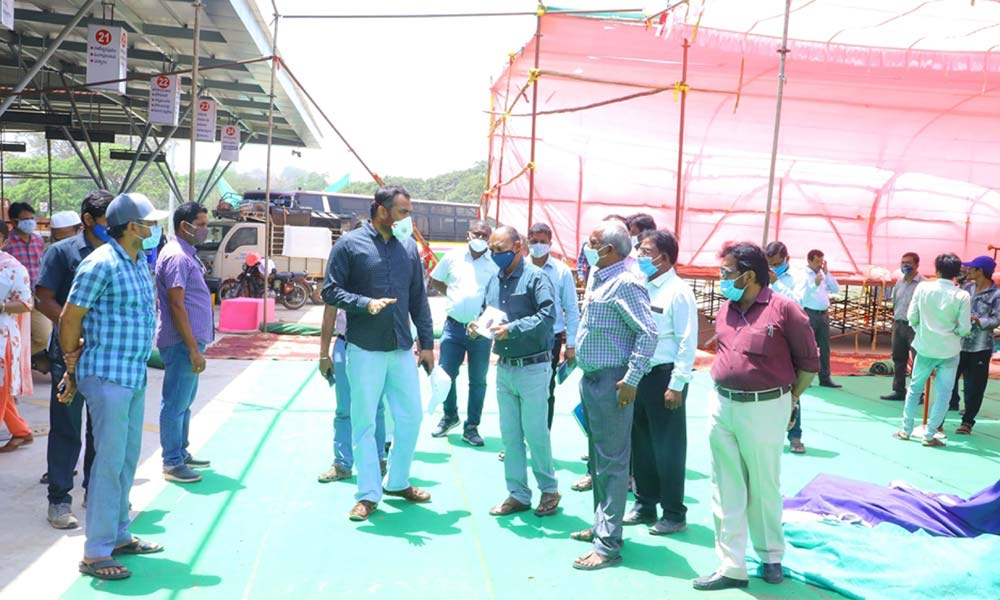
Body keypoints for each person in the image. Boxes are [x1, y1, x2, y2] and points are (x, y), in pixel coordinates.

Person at [694, 242, 819, 592]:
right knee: (725, 484)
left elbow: (809, 364)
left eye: (726, 272)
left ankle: (770, 556)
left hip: (765, 406)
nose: (722, 278)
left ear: (748, 275)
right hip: (722, 404)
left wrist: (790, 400)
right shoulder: (726, 309)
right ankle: (731, 564)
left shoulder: (785, 310)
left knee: (764, 483)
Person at [60, 193, 167, 580]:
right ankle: (96, 552)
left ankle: (119, 534)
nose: (154, 229)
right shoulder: (100, 263)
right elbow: (70, 318)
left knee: (124, 459)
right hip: (107, 375)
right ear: (131, 227)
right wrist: (71, 363)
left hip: (132, 374)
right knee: (108, 463)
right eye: (149, 223)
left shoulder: (138, 262)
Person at [323, 185, 435, 522]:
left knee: (411, 417)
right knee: (364, 423)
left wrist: (427, 344)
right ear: (381, 210)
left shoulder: (409, 248)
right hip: (364, 348)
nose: (407, 219)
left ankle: (397, 481)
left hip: (401, 347)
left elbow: (419, 299)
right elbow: (329, 290)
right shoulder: (348, 245)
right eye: (403, 212)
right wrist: (364, 303)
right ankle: (368, 494)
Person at [569, 220, 657, 571]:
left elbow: (648, 334)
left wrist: (632, 378)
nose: (587, 249)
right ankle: (602, 525)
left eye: (593, 244)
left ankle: (609, 544)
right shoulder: (601, 277)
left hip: (612, 382)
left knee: (613, 462)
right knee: (598, 459)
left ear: (611, 249)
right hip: (592, 379)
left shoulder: (626, 283)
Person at [469, 225, 561, 518]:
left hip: (533, 367)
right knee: (510, 436)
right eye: (492, 249)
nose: (495, 253)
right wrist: (477, 327)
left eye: (500, 248)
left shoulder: (537, 278)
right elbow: (487, 312)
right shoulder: (496, 280)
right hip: (506, 367)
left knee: (536, 434)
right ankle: (518, 493)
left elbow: (548, 316)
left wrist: (514, 328)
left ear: (518, 246)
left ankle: (549, 490)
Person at [36, 190, 111, 529]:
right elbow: (43, 298)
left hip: (105, 352)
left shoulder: (117, 254)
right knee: (66, 425)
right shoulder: (61, 252)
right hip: (67, 352)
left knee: (101, 427)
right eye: (109, 220)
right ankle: (59, 500)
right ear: (88, 220)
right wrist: (71, 328)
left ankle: (94, 493)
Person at [625, 230, 697, 535]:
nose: (640, 256)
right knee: (641, 444)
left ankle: (673, 512)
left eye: (646, 251)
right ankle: (645, 504)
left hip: (664, 377)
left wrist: (677, 384)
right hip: (639, 374)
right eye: (639, 250)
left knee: (668, 447)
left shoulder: (678, 291)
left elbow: (686, 341)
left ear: (663, 258)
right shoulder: (641, 286)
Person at [154, 202, 214, 484]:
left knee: (184, 401)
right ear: (184, 226)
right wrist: (192, 348)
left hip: (187, 341)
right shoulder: (178, 257)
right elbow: (177, 305)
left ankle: (181, 451)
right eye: (200, 224)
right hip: (181, 342)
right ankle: (172, 462)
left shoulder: (186, 254)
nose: (204, 229)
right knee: (175, 402)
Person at [429, 220, 497, 446]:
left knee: (478, 380)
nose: (480, 238)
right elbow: (435, 279)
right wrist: (453, 294)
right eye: (477, 233)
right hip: (454, 326)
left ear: (490, 238)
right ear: (468, 235)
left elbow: (498, 296)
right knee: (445, 376)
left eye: (485, 235)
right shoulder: (452, 256)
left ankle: (472, 426)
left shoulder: (494, 263)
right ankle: (450, 416)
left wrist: (484, 321)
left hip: (481, 330)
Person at [895, 253, 971, 447]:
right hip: (949, 350)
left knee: (914, 389)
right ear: (957, 273)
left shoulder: (923, 288)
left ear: (936, 269)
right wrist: (952, 332)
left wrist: (922, 330)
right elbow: (964, 328)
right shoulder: (962, 295)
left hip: (925, 346)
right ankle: (930, 435)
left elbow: (912, 316)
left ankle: (906, 429)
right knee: (944, 394)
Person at [317, 303, 388, 482]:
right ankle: (342, 464)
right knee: (344, 408)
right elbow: (329, 313)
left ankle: (378, 460)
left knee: (376, 406)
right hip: (344, 343)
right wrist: (323, 355)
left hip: (374, 345)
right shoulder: (339, 276)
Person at [526, 222, 580, 429]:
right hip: (522, 337)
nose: (538, 245)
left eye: (542, 242)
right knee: (520, 389)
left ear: (550, 243)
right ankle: (518, 440)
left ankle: (542, 438)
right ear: (527, 240)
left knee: (546, 390)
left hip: (551, 339)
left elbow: (571, 309)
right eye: (534, 241)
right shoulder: (519, 266)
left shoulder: (561, 271)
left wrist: (571, 345)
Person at [951, 256, 1000, 434]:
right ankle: (942, 416)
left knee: (975, 385)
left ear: (981, 271)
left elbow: (997, 319)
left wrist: (978, 321)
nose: (968, 271)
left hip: (980, 346)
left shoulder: (996, 294)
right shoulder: (965, 289)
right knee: (949, 380)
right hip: (959, 344)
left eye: (972, 268)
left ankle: (967, 421)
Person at [0, 221, 34, 453]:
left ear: (3, 240)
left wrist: (1, 306)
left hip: (2, 339)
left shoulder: (13, 268)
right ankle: (21, 431)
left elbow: (26, 304)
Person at [5, 201, 50, 372]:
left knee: (43, 336)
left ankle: (14, 356)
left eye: (32, 218)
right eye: (26, 219)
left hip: (36, 295)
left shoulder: (38, 241)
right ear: (15, 222)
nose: (31, 222)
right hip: (15, 298)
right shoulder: (8, 243)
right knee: (15, 333)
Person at [881, 252, 923, 400]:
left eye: (909, 262)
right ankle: (899, 390)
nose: (905, 265)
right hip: (898, 325)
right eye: (903, 262)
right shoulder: (899, 282)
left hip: (915, 327)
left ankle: (917, 393)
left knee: (917, 360)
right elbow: (895, 303)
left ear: (917, 265)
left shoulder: (923, 285)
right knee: (898, 358)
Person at [799, 249, 841, 389]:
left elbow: (836, 289)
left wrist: (827, 272)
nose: (819, 265)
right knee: (808, 347)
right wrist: (815, 284)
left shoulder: (823, 274)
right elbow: (802, 295)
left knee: (824, 347)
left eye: (821, 262)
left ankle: (825, 377)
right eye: (817, 262)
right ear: (809, 261)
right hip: (809, 313)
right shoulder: (803, 274)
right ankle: (805, 377)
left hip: (823, 314)